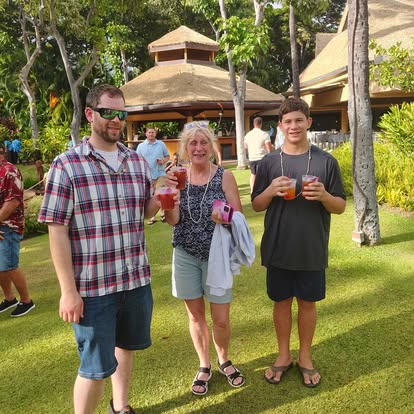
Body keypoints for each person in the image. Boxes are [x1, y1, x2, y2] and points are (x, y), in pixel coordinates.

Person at [38, 84, 161, 414]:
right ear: (91, 114)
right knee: (93, 369)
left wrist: (159, 199)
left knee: (126, 349)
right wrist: (68, 291)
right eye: (109, 113)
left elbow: (145, 212)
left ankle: (120, 407)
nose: (117, 120)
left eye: (122, 113)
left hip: (135, 280)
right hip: (93, 289)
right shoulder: (66, 166)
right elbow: (56, 230)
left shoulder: (136, 162)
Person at [251, 97, 346, 388]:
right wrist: (270, 189)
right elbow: (256, 204)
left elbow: (340, 206)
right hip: (278, 245)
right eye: (287, 121)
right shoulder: (269, 162)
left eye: (298, 120)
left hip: (311, 247)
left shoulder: (326, 161)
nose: (293, 126)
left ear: (308, 123)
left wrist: (324, 197)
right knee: (281, 302)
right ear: (279, 126)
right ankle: (283, 356)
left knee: (307, 303)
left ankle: (304, 357)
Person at [164, 121, 250, 396]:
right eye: (193, 143)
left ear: (211, 147)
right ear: (185, 148)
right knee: (195, 315)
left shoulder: (224, 177)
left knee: (221, 318)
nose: (198, 148)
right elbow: (174, 220)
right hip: (185, 253)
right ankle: (204, 364)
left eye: (203, 142)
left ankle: (224, 359)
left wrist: (223, 214)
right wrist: (170, 204)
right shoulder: (177, 176)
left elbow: (238, 216)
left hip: (217, 256)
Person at [0, 144, 35, 317]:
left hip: (9, 226)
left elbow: (12, 202)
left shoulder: (9, 171)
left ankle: (27, 301)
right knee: (1, 265)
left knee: (9, 264)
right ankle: (9, 298)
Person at [136, 126, 170, 224]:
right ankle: (152, 217)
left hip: (160, 173)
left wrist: (163, 160)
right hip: (147, 175)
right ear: (146, 134)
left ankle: (163, 214)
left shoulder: (161, 144)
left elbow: (167, 156)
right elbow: (137, 160)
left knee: (161, 193)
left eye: (153, 132)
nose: (151, 134)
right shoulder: (141, 146)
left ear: (155, 134)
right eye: (149, 132)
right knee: (151, 196)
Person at [244, 117, 272, 191]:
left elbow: (246, 147)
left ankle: (252, 190)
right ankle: (263, 189)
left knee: (253, 175)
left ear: (254, 124)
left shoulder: (248, 135)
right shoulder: (264, 134)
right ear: (261, 124)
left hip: (252, 158)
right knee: (263, 175)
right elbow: (269, 148)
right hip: (262, 158)